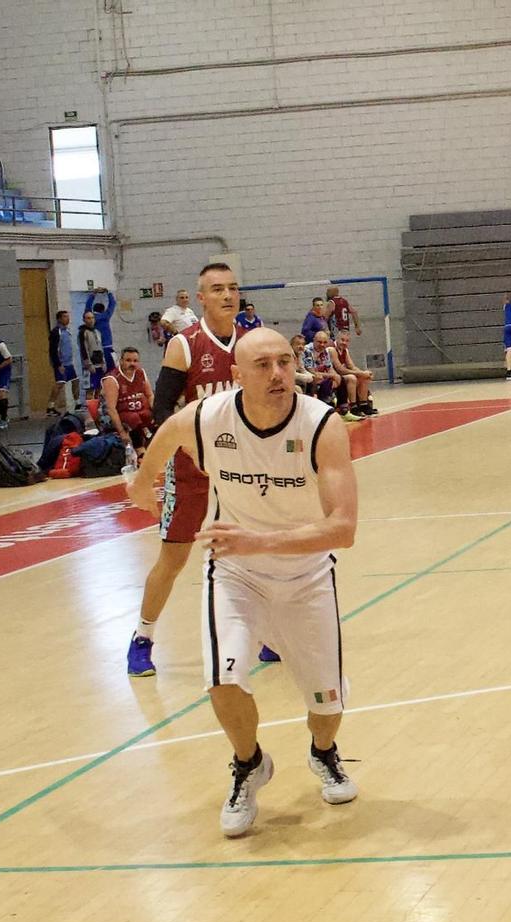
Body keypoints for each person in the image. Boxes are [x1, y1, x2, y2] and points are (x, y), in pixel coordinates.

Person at [124, 327, 361, 835]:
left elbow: (343, 528)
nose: (278, 374)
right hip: (235, 573)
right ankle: (249, 764)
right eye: (263, 366)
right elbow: (165, 436)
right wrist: (145, 483)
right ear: (236, 377)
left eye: (284, 362)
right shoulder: (209, 418)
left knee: (326, 702)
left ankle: (323, 752)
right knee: (223, 680)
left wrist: (261, 541)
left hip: (307, 573)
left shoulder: (322, 424)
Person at [127, 261, 242, 678]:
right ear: (201, 298)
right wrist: (187, 445)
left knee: (249, 554)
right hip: (193, 469)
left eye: (232, 287)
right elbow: (161, 410)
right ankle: (142, 637)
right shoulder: (185, 345)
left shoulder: (251, 343)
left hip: (238, 471)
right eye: (217, 289)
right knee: (173, 559)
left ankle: (261, 634)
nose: (227, 295)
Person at [101, 345, 154, 458]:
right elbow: (111, 409)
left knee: (150, 414)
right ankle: (140, 452)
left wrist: (158, 414)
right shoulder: (112, 379)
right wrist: (122, 432)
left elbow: (150, 395)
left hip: (139, 413)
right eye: (128, 360)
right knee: (133, 417)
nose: (132, 364)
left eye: (135, 361)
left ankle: (154, 447)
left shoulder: (141, 373)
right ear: (121, 361)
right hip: (120, 416)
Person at [308, 330, 359, 420]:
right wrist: (332, 376)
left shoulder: (325, 351)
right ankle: (326, 411)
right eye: (319, 342)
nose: (322, 345)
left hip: (324, 375)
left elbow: (329, 367)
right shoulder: (308, 350)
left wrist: (336, 377)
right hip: (312, 375)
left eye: (324, 342)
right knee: (325, 381)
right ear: (314, 340)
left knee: (341, 379)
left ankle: (345, 411)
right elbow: (311, 371)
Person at [329, 332, 376, 416]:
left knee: (364, 378)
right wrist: (360, 373)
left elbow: (351, 366)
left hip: (340, 375)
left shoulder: (345, 350)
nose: (344, 343)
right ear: (337, 339)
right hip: (333, 376)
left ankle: (363, 405)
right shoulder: (332, 349)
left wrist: (364, 373)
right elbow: (340, 370)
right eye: (342, 340)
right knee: (352, 378)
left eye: (347, 341)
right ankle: (353, 406)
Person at [51, 309, 80, 413]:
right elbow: (53, 349)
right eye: (65, 317)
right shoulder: (56, 332)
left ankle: (77, 403)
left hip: (69, 363)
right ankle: (51, 406)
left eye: (68, 316)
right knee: (59, 384)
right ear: (59, 319)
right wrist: (58, 364)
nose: (67, 319)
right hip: (61, 363)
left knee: (75, 381)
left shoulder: (67, 331)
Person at [79, 310, 106, 396]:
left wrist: (103, 362)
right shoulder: (83, 332)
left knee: (99, 387)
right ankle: (89, 408)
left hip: (99, 364)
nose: (91, 320)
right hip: (90, 366)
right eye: (88, 318)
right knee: (90, 388)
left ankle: (97, 407)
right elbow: (83, 349)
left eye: (92, 318)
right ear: (84, 320)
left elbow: (101, 347)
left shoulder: (97, 332)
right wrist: (88, 364)